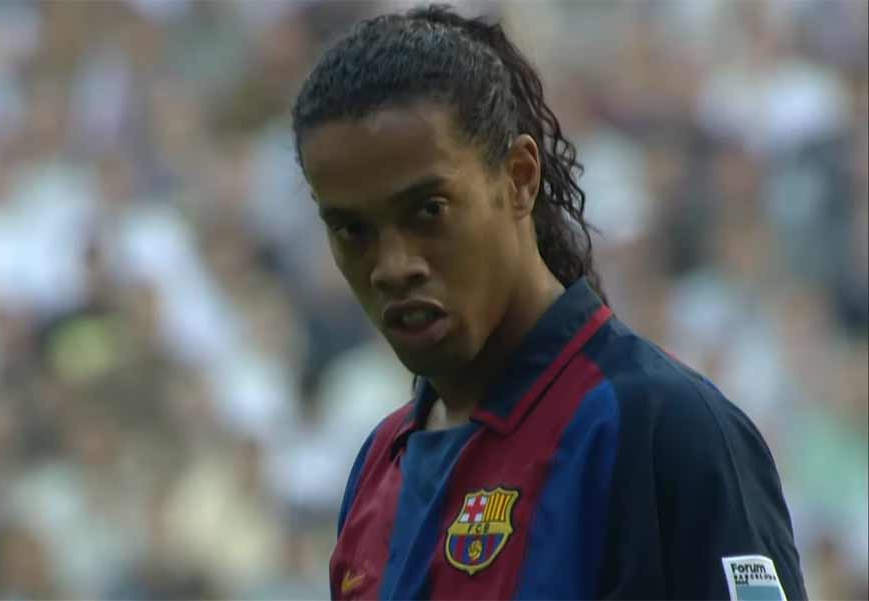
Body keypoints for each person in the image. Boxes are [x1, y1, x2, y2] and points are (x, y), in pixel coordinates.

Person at [290, 5, 806, 600]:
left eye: (428, 210)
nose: (392, 266)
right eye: (352, 230)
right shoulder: (378, 466)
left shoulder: (666, 430)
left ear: (519, 177)